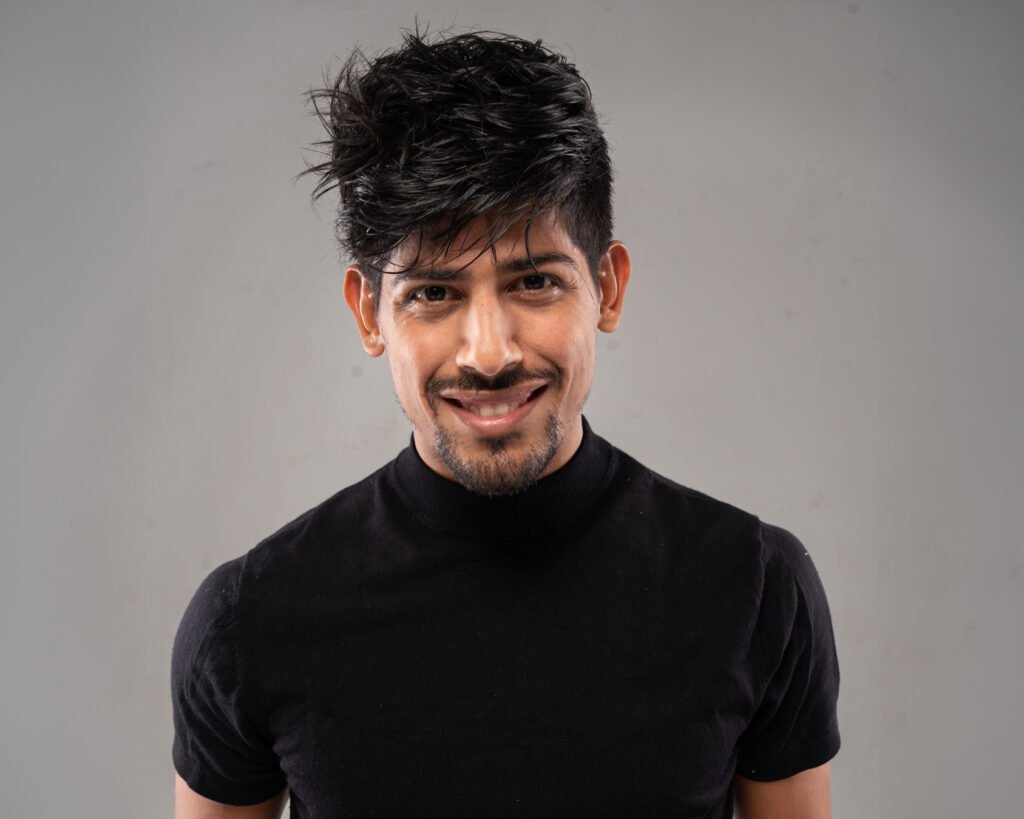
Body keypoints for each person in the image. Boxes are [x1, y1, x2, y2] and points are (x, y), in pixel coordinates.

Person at [171, 29, 840, 819]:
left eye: (533, 282)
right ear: (368, 312)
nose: (488, 353)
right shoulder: (251, 617)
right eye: (433, 293)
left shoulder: (753, 586)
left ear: (607, 288)